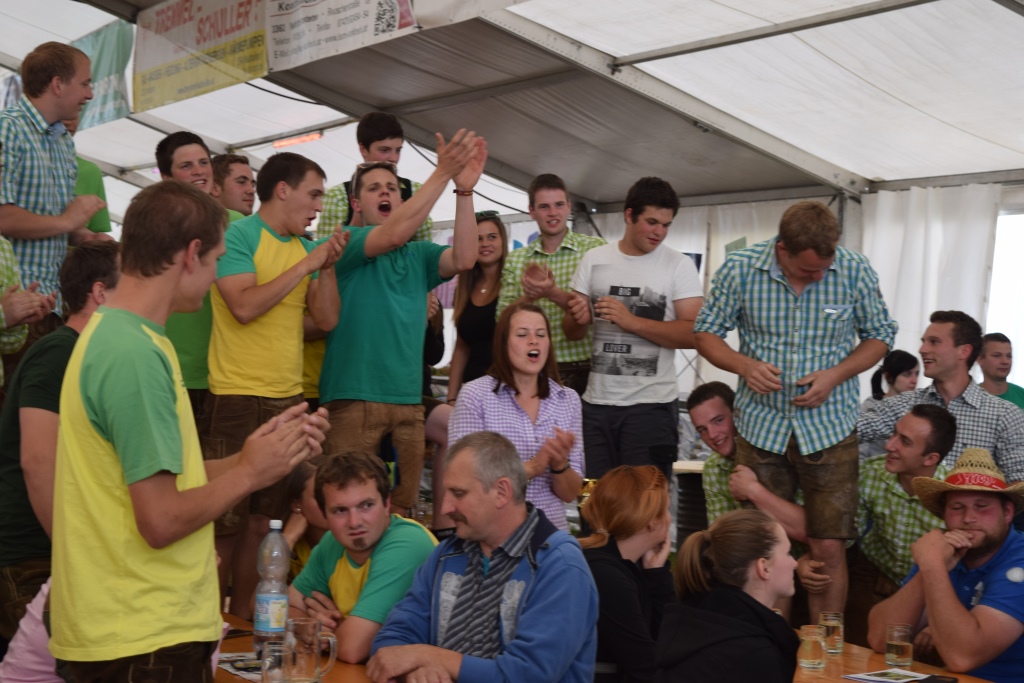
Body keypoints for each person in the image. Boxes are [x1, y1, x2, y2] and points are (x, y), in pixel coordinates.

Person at [47, 180, 329, 679]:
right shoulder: (133, 353)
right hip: (142, 635)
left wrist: (255, 456)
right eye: (217, 258)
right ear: (191, 254)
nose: (218, 274)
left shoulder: (125, 337)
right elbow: (160, 519)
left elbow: (162, 479)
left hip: (134, 629)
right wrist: (248, 475)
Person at [694, 199, 898, 616]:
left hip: (831, 426)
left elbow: (880, 335)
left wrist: (835, 375)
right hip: (760, 425)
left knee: (829, 547)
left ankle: (827, 648)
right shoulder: (740, 269)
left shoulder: (855, 269)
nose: (819, 276)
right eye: (808, 270)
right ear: (781, 249)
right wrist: (744, 365)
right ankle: (770, 644)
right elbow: (705, 333)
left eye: (825, 268)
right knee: (762, 547)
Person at [204, 151, 346, 618]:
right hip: (235, 396)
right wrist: (306, 266)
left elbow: (326, 320)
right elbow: (244, 306)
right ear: (282, 190)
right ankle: (210, 625)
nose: (318, 206)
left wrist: (326, 265)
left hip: (288, 399)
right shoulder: (239, 234)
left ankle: (244, 622)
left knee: (266, 523)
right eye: (314, 194)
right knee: (224, 522)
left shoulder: (307, 249)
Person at [318, 130, 486, 517]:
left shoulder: (419, 255)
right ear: (356, 203)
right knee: (346, 512)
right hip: (353, 399)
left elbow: (464, 258)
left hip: (408, 402)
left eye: (392, 188)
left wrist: (464, 191)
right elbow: (393, 234)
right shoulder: (348, 241)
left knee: (402, 514)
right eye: (374, 188)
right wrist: (442, 172)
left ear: (401, 200)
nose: (385, 193)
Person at [367, 431, 598, 683]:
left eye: (458, 493)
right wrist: (416, 670)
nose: (445, 508)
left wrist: (428, 656)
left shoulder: (560, 564)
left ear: (501, 491)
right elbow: (391, 641)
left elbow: (527, 675)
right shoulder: (447, 553)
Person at [0, 241, 118, 642]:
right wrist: (77, 556)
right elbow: (36, 462)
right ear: (100, 293)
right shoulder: (61, 352)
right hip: (31, 557)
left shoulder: (88, 352)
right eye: (133, 284)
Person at [564, 176, 704, 479]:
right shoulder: (594, 259)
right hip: (596, 404)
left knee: (645, 504)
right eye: (652, 222)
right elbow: (572, 333)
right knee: (594, 500)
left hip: (651, 406)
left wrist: (632, 322)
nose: (659, 232)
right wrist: (576, 316)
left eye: (666, 225)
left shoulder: (678, 264)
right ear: (629, 215)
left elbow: (696, 334)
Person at [797, 405, 956, 646]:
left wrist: (942, 617)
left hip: (933, 592)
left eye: (904, 441)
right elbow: (844, 534)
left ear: (930, 459)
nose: (889, 445)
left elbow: (970, 565)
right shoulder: (871, 472)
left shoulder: (953, 494)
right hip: (872, 580)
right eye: (894, 433)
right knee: (852, 651)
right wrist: (807, 559)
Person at [867, 448, 1024, 683]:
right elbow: (881, 639)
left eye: (982, 506)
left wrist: (932, 566)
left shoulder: (1019, 558)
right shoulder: (945, 551)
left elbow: (962, 657)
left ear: (1008, 512)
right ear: (944, 516)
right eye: (957, 508)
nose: (968, 518)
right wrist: (929, 568)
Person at [0, 42, 105, 389]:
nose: (89, 94)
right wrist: (67, 222)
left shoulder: (63, 142)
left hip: (52, 309)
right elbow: (2, 216)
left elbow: (50, 220)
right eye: (85, 83)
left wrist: (86, 237)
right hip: (15, 311)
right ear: (57, 84)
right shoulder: (7, 128)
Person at [289, 452, 437, 664]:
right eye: (340, 510)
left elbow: (352, 649)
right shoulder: (333, 542)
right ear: (325, 515)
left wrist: (331, 629)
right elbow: (275, 609)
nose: (354, 522)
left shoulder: (407, 543)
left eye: (366, 505)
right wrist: (308, 627)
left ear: (387, 504)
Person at [450, 303, 584, 530]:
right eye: (522, 335)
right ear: (502, 343)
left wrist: (560, 463)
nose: (533, 341)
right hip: (493, 533)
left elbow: (570, 494)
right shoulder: (475, 395)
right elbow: (462, 478)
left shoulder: (567, 399)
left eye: (541, 334)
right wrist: (533, 466)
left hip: (550, 536)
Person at [857, 310, 1024, 482]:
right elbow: (852, 430)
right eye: (923, 342)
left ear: (964, 351)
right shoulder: (902, 405)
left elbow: (1018, 481)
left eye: (934, 342)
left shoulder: (1004, 415)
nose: (922, 350)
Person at [157, 132, 246, 423]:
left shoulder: (237, 224)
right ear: (165, 178)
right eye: (186, 166)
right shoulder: (152, 229)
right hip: (168, 369)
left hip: (225, 374)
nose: (199, 171)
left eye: (203, 162)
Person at [655, 509, 799, 683]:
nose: (795, 563)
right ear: (764, 567)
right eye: (787, 552)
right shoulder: (753, 655)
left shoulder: (697, 616)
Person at [497, 174, 605, 395]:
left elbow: (602, 311)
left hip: (585, 368)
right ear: (532, 211)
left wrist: (551, 293)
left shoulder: (595, 249)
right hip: (533, 369)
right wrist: (529, 296)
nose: (553, 213)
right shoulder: (516, 259)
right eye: (544, 207)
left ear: (569, 206)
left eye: (559, 205)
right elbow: (501, 320)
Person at [579, 465, 674, 683]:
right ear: (651, 521)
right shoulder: (607, 577)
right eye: (667, 509)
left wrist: (656, 573)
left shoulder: (619, 565)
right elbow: (647, 666)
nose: (670, 520)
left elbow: (665, 644)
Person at [317, 111, 432, 242]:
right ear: (363, 149)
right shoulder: (337, 197)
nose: (393, 158)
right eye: (384, 150)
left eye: (398, 150)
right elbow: (326, 251)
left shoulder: (416, 191)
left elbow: (425, 249)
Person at [446, 211, 508, 403]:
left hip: (505, 392)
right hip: (471, 393)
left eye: (492, 237)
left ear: (503, 241)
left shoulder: (513, 285)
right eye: (478, 239)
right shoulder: (463, 289)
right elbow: (461, 349)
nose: (485, 243)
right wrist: (451, 399)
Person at [686, 381, 742, 524]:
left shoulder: (771, 451)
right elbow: (722, 530)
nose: (712, 435)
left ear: (737, 413)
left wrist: (755, 492)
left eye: (718, 421)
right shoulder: (713, 466)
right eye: (702, 430)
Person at [860, 350, 919, 460]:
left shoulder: (917, 407)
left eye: (916, 374)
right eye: (907, 374)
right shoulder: (870, 406)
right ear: (888, 377)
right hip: (874, 466)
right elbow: (860, 448)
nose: (914, 380)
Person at [283, 454, 330, 580]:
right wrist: (289, 538)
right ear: (296, 504)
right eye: (319, 496)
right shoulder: (294, 545)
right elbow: (268, 587)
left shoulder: (354, 538)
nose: (331, 503)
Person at [977, 332, 1024, 410]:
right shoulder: (970, 397)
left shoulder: (1022, 395)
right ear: (980, 360)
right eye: (997, 355)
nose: (1005, 361)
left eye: (1009, 356)